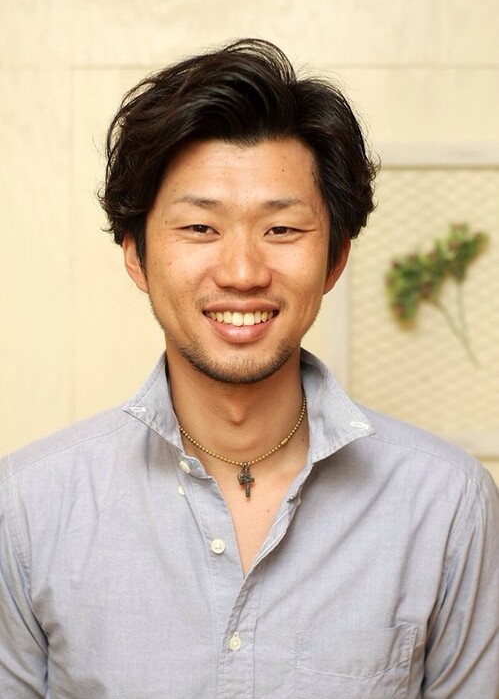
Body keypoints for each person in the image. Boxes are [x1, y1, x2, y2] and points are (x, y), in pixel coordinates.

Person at [0, 39, 497, 699]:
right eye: (200, 229)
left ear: (335, 258)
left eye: (281, 230)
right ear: (135, 255)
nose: (241, 272)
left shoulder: (446, 504)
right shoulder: (27, 507)